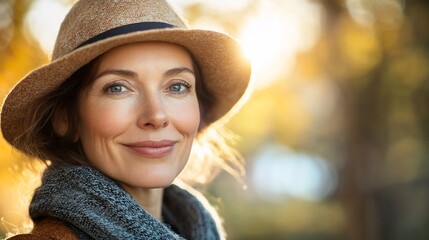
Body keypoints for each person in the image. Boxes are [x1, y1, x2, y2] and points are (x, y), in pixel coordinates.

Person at [1, 0, 251, 239]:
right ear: (65, 118)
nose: (156, 116)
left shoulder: (202, 230)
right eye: (118, 88)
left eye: (177, 86)